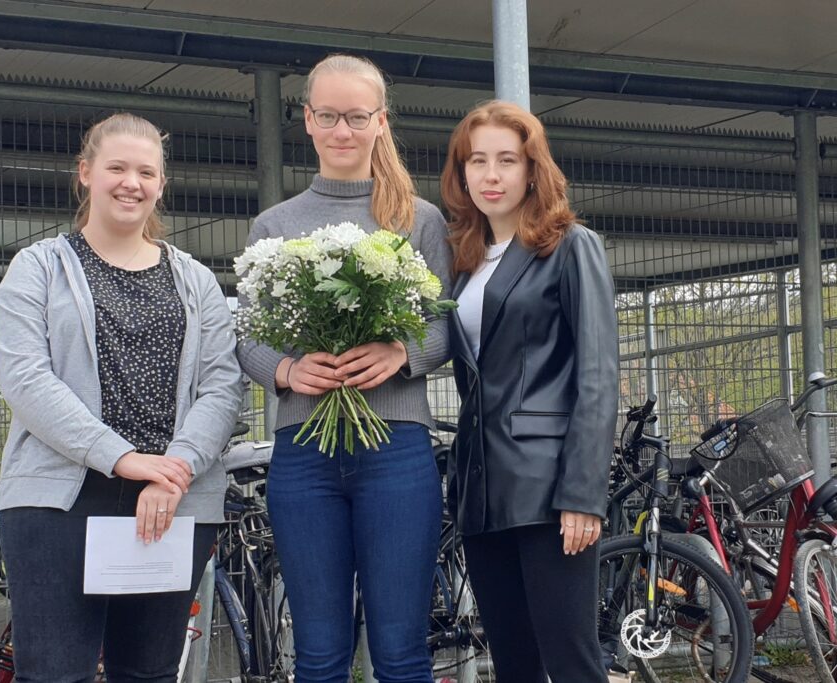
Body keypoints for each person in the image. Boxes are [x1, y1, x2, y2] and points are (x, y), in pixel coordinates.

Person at [0, 112, 243, 683]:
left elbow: (223, 386)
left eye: (147, 171)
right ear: (85, 173)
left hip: (172, 500)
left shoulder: (198, 281)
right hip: (59, 500)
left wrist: (171, 469)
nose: (132, 182)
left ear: (161, 184)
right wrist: (123, 458)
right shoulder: (37, 269)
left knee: (149, 673)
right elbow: (28, 379)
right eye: (117, 168)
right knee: (56, 672)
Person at [237, 54, 452, 683]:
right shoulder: (273, 227)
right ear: (306, 119)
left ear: (381, 122)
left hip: (398, 451)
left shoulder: (419, 219)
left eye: (356, 117)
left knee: (402, 652)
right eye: (328, 115)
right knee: (319, 655)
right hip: (303, 452)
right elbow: (246, 336)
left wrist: (400, 355)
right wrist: (284, 371)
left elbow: (443, 325)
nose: (342, 130)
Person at [439, 100, 618, 683]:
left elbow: (597, 373)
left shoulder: (570, 246)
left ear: (532, 169)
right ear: (462, 173)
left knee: (570, 659)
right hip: (483, 490)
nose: (491, 175)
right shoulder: (464, 261)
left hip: (550, 488)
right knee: (513, 663)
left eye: (507, 161)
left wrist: (584, 493)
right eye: (478, 161)